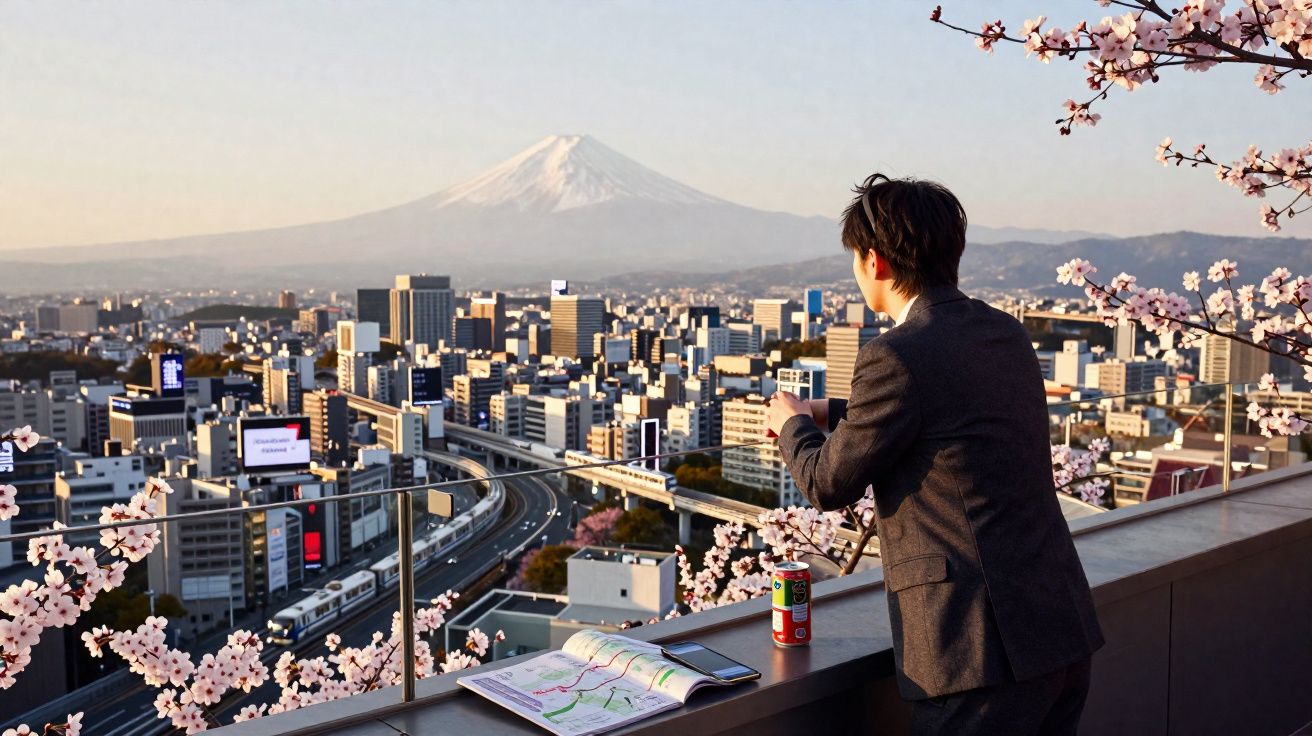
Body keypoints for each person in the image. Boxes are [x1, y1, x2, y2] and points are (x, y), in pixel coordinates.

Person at [766, 174, 1104, 735]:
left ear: (874, 261)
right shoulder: (1003, 332)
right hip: (1058, 624)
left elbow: (827, 483)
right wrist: (833, 409)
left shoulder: (894, 354)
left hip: (978, 651)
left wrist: (792, 425)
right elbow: (949, 415)